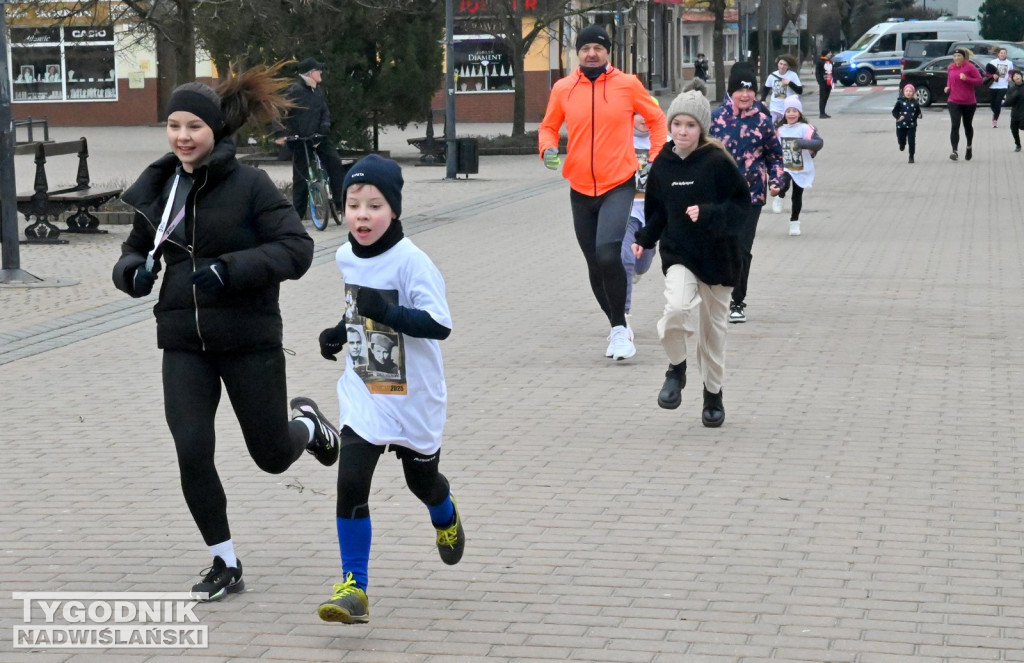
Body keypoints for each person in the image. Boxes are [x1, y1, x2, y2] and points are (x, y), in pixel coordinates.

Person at [111, 63, 342, 602]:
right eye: (174, 126)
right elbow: (132, 251)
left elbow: (296, 249)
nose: (182, 137)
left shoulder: (251, 185)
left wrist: (230, 269)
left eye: (193, 126)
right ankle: (225, 561)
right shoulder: (162, 187)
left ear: (214, 130)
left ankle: (306, 426)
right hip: (184, 343)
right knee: (192, 450)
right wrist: (132, 274)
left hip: (247, 340)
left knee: (270, 455)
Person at [309, 155, 464, 625]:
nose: (361, 215)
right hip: (367, 388)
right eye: (353, 204)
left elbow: (439, 325)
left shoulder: (413, 262)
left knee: (423, 482)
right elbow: (360, 308)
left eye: (374, 205)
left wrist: (388, 312)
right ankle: (354, 587)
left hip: (414, 397)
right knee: (351, 481)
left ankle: (446, 513)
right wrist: (340, 329)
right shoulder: (343, 256)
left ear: (393, 210)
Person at [538, 24, 666, 360]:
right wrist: (547, 148)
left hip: (618, 183)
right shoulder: (564, 88)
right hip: (580, 187)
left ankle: (621, 333)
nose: (591, 53)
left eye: (598, 47)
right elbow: (549, 126)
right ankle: (617, 325)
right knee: (594, 262)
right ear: (577, 54)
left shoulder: (627, 84)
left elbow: (656, 120)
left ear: (608, 52)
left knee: (609, 253)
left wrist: (655, 158)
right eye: (585, 49)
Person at [633, 89, 750, 428]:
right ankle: (677, 368)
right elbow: (657, 212)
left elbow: (740, 207)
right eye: (677, 124)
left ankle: (713, 395)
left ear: (703, 129)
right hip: (680, 252)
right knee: (676, 309)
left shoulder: (717, 162)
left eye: (690, 125)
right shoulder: (663, 164)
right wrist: (644, 239)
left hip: (719, 258)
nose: (682, 132)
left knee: (713, 334)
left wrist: (710, 214)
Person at [710, 62, 784, 324]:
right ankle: (717, 295)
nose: (745, 95)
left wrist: (777, 181)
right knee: (720, 245)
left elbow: (775, 156)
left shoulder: (763, 121)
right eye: (740, 90)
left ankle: (737, 301)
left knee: (742, 247)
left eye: (749, 90)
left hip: (751, 196)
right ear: (731, 92)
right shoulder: (716, 119)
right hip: (719, 195)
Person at [273, 57, 349, 217]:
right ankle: (297, 216)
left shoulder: (318, 90)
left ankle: (339, 202)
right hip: (300, 139)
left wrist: (324, 127)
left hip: (319, 137)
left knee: (335, 162)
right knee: (301, 178)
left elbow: (325, 112)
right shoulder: (294, 90)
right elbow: (278, 112)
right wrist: (280, 134)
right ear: (310, 73)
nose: (321, 72)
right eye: (318, 70)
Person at [621, 96, 663, 323]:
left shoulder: (665, 141)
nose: (644, 119)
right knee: (624, 258)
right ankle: (623, 314)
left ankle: (638, 269)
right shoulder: (621, 140)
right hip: (627, 208)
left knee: (641, 263)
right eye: (640, 114)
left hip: (652, 212)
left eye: (650, 114)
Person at [774, 96, 824, 237]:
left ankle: (794, 222)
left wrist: (802, 143)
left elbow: (819, 143)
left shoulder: (805, 128)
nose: (791, 114)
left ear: (800, 113)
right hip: (785, 164)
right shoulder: (780, 130)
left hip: (801, 167)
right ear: (784, 113)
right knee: (784, 182)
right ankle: (780, 195)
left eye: (794, 111)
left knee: (797, 195)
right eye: (788, 111)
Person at [944, 48, 983, 162]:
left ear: (964, 57)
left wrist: (967, 79)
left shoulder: (970, 67)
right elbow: (950, 80)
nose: (956, 58)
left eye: (959, 56)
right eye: (955, 56)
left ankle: (969, 146)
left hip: (969, 102)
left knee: (967, 126)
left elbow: (980, 81)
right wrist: (948, 88)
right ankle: (954, 151)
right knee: (955, 125)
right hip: (953, 101)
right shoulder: (950, 67)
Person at [762, 54, 803, 125]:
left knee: (785, 127)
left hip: (787, 107)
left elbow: (800, 91)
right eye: (780, 64)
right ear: (777, 64)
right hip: (774, 107)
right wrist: (763, 100)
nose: (782, 66)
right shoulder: (772, 75)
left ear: (788, 66)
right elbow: (766, 89)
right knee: (772, 126)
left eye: (785, 65)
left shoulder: (793, 75)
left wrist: (789, 83)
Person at [892, 83, 923, 164]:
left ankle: (911, 156)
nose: (908, 92)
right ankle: (902, 144)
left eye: (910, 91)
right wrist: (898, 117)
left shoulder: (915, 103)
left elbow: (918, 112)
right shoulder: (899, 102)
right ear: (903, 92)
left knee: (911, 141)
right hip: (901, 125)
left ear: (913, 93)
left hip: (912, 125)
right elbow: (894, 111)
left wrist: (919, 115)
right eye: (907, 91)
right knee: (901, 138)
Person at [988, 47, 1014, 129]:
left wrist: (1010, 77)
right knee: (992, 104)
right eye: (1001, 53)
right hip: (993, 85)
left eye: (1004, 53)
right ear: (998, 54)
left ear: (1006, 54)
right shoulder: (993, 62)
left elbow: (1011, 72)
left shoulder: (1009, 63)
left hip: (1003, 85)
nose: (1003, 54)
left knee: (998, 103)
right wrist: (992, 75)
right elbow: (987, 73)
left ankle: (995, 120)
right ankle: (995, 112)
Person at [1004, 70, 1024, 152]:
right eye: (1014, 76)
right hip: (1015, 112)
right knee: (1013, 129)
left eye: (1018, 74)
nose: (1017, 76)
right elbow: (1008, 102)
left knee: (1022, 126)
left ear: (1021, 76)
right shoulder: (1012, 89)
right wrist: (1013, 96)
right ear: (1013, 79)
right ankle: (1018, 144)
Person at [815, 49, 834, 119]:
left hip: (829, 82)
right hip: (823, 82)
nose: (830, 54)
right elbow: (818, 73)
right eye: (829, 53)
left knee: (826, 97)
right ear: (825, 54)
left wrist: (834, 80)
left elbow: (832, 71)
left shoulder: (830, 61)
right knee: (822, 98)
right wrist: (820, 81)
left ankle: (824, 112)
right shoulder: (820, 62)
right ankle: (821, 113)